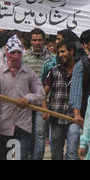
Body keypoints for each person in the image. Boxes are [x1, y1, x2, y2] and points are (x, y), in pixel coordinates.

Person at [0, 35, 45, 160]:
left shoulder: (29, 73)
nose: (16, 55)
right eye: (13, 52)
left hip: (23, 126)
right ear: (7, 53)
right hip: (3, 126)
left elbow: (41, 94)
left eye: (18, 52)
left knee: (18, 157)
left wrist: (28, 98)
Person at [43, 40, 80, 160]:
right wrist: (44, 110)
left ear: (72, 51)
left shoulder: (81, 71)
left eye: (63, 51)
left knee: (72, 153)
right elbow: (44, 93)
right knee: (56, 154)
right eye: (59, 52)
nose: (60, 55)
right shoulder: (54, 71)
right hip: (56, 118)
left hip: (75, 118)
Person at [22, 28, 52, 160]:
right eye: (34, 40)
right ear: (30, 41)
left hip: (43, 102)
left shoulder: (52, 58)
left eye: (39, 40)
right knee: (26, 132)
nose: (37, 42)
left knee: (40, 133)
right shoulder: (24, 57)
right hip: (27, 102)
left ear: (44, 41)